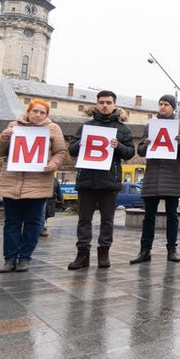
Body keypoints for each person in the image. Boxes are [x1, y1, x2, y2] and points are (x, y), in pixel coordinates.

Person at [0, 98, 68, 273]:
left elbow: (61, 152)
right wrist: (4, 137)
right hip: (12, 181)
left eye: (43, 112)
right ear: (28, 111)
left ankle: (25, 258)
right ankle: (9, 259)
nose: (38, 115)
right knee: (12, 222)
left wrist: (54, 164)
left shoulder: (53, 129)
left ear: (47, 115)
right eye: (35, 111)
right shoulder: (14, 126)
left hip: (39, 183)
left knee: (33, 223)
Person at [66, 90, 135, 270]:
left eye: (108, 102)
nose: (105, 105)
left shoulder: (122, 129)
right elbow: (71, 150)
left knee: (107, 220)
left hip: (109, 181)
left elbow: (130, 153)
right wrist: (79, 144)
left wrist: (118, 146)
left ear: (114, 105)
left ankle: (104, 254)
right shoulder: (85, 127)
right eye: (102, 102)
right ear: (97, 104)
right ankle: (82, 255)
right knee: (84, 220)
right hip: (87, 180)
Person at [130, 94, 180, 264]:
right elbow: (141, 152)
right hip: (152, 176)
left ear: (173, 107)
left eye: (166, 104)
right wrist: (145, 144)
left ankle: (172, 250)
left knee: (172, 216)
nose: (163, 107)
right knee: (148, 216)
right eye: (161, 104)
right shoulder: (150, 126)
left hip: (171, 175)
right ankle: (145, 250)